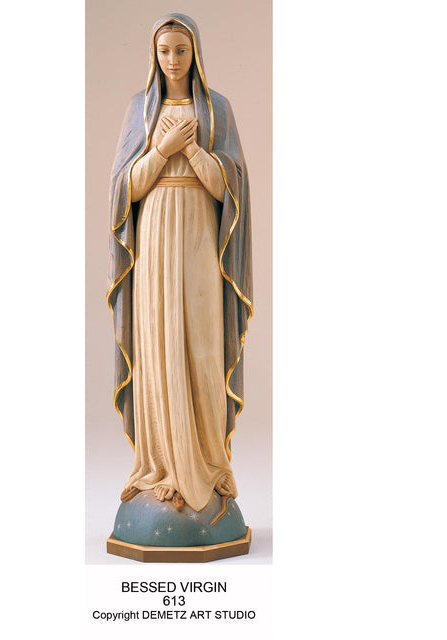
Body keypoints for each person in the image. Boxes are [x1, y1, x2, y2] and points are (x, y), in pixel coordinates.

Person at [107, 13, 252, 513]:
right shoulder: (140, 109)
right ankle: (162, 463)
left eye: (181, 50)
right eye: (164, 50)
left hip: (199, 232)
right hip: (153, 234)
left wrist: (190, 148)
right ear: (154, 54)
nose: (172, 60)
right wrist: (161, 149)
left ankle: (208, 461)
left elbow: (228, 192)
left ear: (196, 54)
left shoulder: (217, 109)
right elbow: (125, 190)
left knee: (202, 342)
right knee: (157, 339)